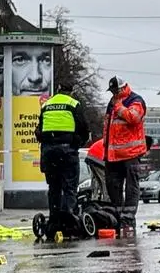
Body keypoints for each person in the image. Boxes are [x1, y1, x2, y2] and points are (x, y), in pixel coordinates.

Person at [35, 85, 90, 237]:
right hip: (67, 152)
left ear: (58, 90)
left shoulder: (46, 104)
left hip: (48, 154)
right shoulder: (73, 104)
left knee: (54, 187)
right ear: (71, 91)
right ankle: (68, 216)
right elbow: (84, 129)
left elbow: (39, 131)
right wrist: (77, 143)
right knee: (69, 187)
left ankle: (54, 219)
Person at [103, 76, 148, 230]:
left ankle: (128, 219)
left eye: (115, 91)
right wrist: (106, 148)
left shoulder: (135, 100)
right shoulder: (112, 103)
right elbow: (108, 127)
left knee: (131, 187)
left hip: (131, 154)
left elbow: (134, 118)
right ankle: (117, 217)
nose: (113, 94)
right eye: (112, 91)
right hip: (113, 155)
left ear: (122, 88)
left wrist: (119, 107)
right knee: (113, 186)